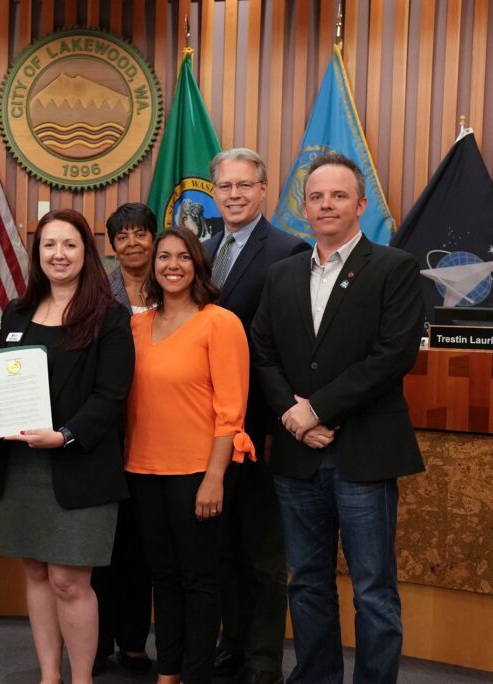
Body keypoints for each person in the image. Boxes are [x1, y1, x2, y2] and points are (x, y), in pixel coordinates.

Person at [250, 152, 424, 684]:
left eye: (339, 195)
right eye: (317, 196)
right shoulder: (281, 275)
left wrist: (317, 408)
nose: (327, 204)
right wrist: (293, 415)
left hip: (365, 455)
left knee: (373, 590)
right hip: (298, 458)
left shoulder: (395, 268)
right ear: (305, 207)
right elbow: (262, 352)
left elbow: (394, 355)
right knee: (306, 583)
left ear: (361, 205)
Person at [0, 208, 135, 684]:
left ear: (86, 253)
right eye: (49, 245)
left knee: (70, 582)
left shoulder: (109, 316)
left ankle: (81, 679)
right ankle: (50, 676)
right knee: (35, 572)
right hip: (21, 469)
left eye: (69, 245)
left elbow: (111, 395)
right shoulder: (17, 311)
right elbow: (8, 381)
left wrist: (65, 435)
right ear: (37, 253)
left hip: (80, 467)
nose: (59, 254)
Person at [126, 227, 253, 684]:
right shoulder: (136, 325)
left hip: (199, 472)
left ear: (198, 265)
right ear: (153, 266)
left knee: (199, 579)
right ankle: (170, 671)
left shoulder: (220, 322)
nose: (172, 265)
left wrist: (215, 476)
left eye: (183, 257)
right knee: (163, 577)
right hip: (142, 469)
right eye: (164, 257)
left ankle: (197, 675)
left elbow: (231, 410)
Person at [204, 148, 309, 684]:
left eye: (245, 186)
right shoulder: (200, 250)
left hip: (263, 430)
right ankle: (233, 644)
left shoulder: (292, 251)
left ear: (264, 190)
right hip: (205, 434)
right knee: (220, 550)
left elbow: (292, 347)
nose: (235, 195)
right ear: (213, 190)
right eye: (225, 186)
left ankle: (264, 661)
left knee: (264, 556)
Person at [91, 203, 155, 676]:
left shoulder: (174, 286)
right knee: (99, 546)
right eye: (123, 236)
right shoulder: (96, 293)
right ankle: (96, 640)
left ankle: (134, 641)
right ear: (111, 246)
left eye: (141, 233)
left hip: (157, 431)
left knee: (140, 545)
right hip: (103, 433)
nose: (132, 243)